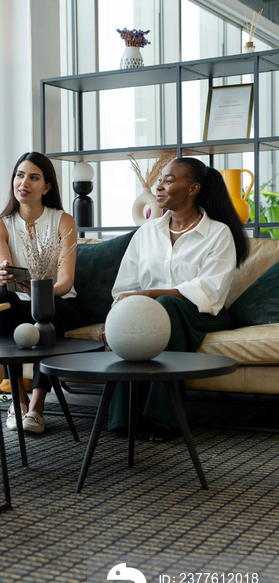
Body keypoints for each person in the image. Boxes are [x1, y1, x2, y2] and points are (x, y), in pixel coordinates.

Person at [106, 156, 249, 440]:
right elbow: (124, 287)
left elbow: (209, 290)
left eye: (168, 180)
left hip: (204, 316)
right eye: (159, 179)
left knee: (166, 306)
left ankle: (164, 418)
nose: (159, 186)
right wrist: (114, 321)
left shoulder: (218, 233)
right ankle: (126, 418)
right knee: (141, 317)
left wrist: (150, 294)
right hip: (151, 313)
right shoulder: (146, 232)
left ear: (193, 188)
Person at [0, 151, 88, 435]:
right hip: (18, 302)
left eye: (34, 177)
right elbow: (1, 273)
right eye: (20, 175)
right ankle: (17, 401)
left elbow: (66, 282)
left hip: (58, 301)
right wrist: (4, 274)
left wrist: (40, 295)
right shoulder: (0, 225)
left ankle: (37, 406)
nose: (24, 182)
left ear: (46, 187)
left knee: (48, 311)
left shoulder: (63, 220)